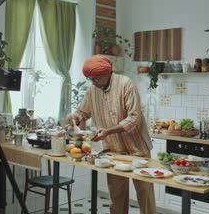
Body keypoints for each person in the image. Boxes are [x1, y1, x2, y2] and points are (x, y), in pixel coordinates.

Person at [67, 55, 156, 214]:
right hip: (113, 148)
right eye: (90, 79)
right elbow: (83, 111)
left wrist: (109, 131)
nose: (93, 82)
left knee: (144, 192)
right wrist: (76, 117)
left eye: (96, 78)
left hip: (137, 147)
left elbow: (134, 116)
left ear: (108, 73)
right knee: (116, 194)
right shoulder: (92, 90)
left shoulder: (125, 84)